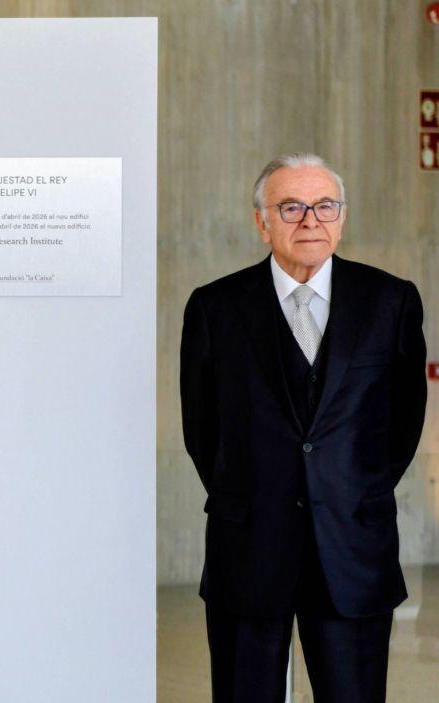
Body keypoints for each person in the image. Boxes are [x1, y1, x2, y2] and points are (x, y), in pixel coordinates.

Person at [180, 153, 426, 702]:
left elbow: (405, 417)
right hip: (248, 545)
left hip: (352, 545)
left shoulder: (391, 302)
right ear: (261, 222)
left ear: (342, 216)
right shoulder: (214, 308)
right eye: (290, 207)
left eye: (324, 206)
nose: (310, 220)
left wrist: (354, 488)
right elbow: (202, 428)